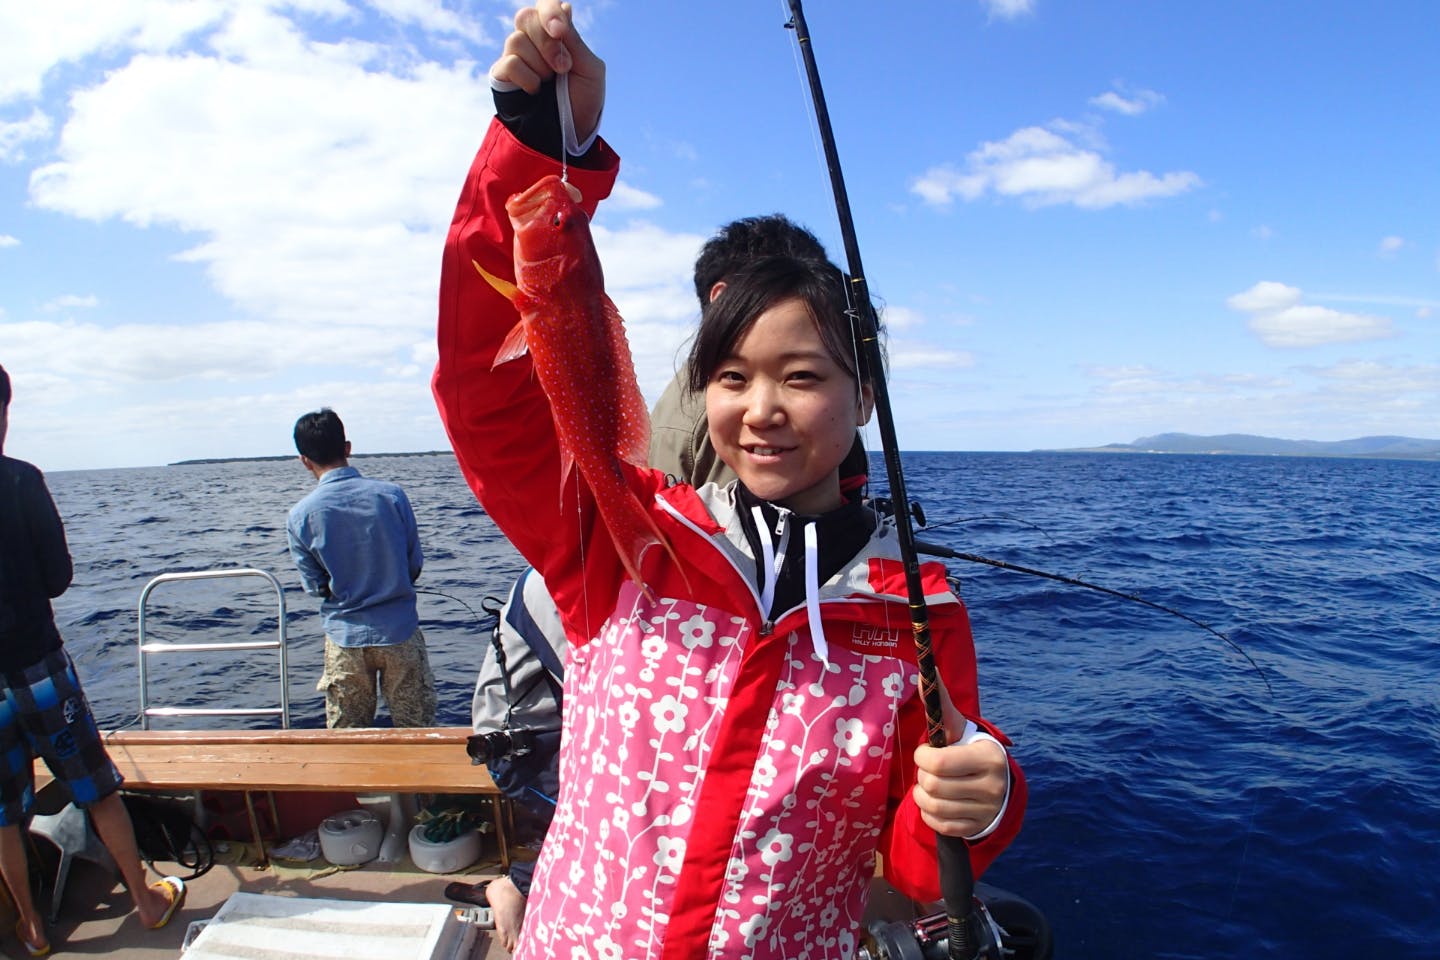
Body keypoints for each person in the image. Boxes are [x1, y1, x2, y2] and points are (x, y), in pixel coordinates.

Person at [432, 6, 1026, 957]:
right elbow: (485, 390)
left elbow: (915, 870)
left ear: (864, 395)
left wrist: (978, 801)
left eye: (803, 376)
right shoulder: (621, 543)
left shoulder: (917, 618)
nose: (762, 409)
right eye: (731, 377)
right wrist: (538, 146)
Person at [0, 364, 185, 956]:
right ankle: (147, 900)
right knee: (97, 789)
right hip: (38, 667)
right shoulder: (22, 481)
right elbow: (58, 577)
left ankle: (31, 927)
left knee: (3, 816)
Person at [286, 408, 437, 728]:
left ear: (304, 460)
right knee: (416, 731)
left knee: (347, 738)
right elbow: (414, 565)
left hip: (344, 638)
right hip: (400, 633)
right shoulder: (393, 496)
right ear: (348, 447)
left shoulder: (300, 515)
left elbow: (315, 586)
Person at [453, 566, 566, 952]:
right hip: (523, 751)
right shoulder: (550, 583)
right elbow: (594, 686)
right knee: (616, 813)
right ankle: (515, 885)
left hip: (560, 735)